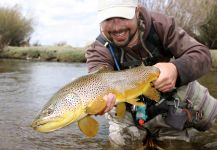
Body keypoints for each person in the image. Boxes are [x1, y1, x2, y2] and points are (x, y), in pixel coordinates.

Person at [85, 0, 217, 148]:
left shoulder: (161, 26)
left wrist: (175, 69)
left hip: (168, 99)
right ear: (100, 21)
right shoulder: (98, 50)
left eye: (123, 17)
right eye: (108, 19)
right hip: (129, 109)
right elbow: (94, 78)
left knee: (176, 144)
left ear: (137, 12)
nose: (116, 26)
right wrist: (98, 102)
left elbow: (202, 55)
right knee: (122, 144)